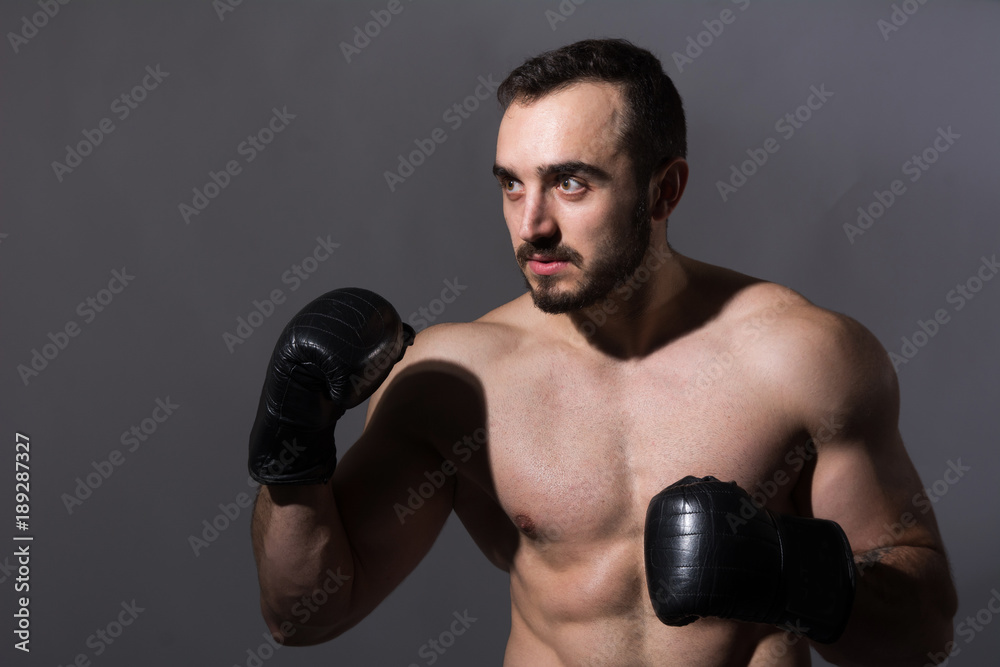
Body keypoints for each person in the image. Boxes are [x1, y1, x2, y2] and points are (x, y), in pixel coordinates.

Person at [249, 38, 957, 665]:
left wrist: (791, 573)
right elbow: (301, 615)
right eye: (511, 184)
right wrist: (293, 448)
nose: (533, 225)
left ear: (663, 189)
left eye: (571, 182)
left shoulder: (804, 358)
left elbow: (923, 634)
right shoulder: (456, 378)